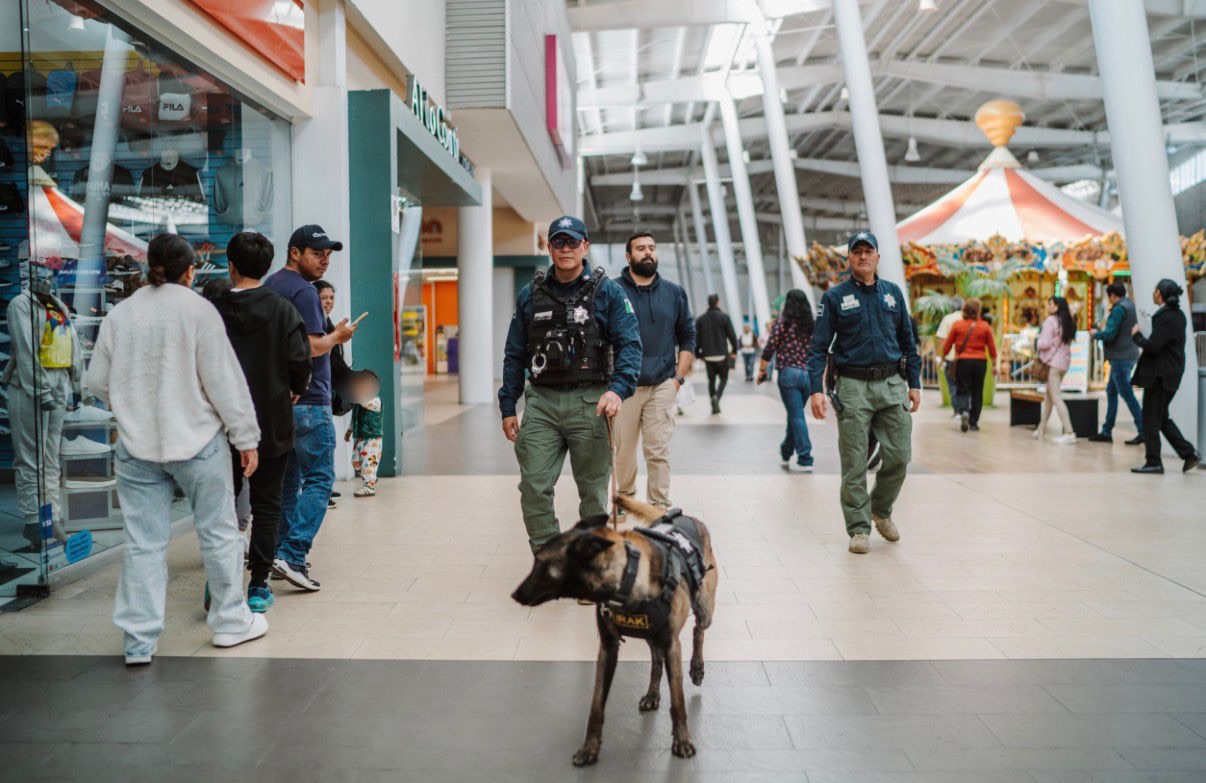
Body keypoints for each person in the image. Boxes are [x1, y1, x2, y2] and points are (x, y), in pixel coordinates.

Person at [85, 233, 266, 665]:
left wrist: (128, 406)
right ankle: (229, 623)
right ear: (190, 271)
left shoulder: (121, 314)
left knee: (143, 544)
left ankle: (138, 642)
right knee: (219, 533)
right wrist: (246, 438)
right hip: (199, 442)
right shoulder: (198, 311)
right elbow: (224, 381)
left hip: (137, 446)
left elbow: (95, 383)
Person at [499, 215, 641, 552]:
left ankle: (590, 566)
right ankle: (551, 560)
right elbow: (514, 353)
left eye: (573, 242)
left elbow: (630, 346)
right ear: (548, 247)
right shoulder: (530, 294)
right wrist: (508, 405)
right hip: (542, 403)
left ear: (585, 247)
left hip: (590, 403)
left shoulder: (607, 292)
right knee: (533, 485)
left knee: (593, 495)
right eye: (559, 242)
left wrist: (617, 389)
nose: (566, 249)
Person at [213, 231, 313, 613]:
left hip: (220, 423)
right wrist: (294, 387)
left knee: (221, 506)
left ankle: (219, 580)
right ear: (268, 265)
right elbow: (299, 360)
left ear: (231, 265)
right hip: (271, 420)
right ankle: (257, 585)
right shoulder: (284, 309)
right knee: (268, 504)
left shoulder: (214, 310)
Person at [805, 231, 921, 555]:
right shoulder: (835, 298)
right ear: (849, 258)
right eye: (857, 252)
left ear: (878, 257)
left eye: (868, 251)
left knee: (899, 455)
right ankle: (858, 528)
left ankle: (880, 510)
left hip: (892, 384)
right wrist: (816, 389)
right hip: (853, 386)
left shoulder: (893, 294)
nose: (863, 256)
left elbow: (909, 343)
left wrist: (914, 384)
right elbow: (817, 348)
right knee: (854, 462)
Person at [263, 225, 356, 591]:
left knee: (288, 484)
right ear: (295, 252)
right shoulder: (304, 293)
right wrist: (339, 337)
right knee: (319, 479)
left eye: (328, 255)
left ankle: (280, 556)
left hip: (277, 401)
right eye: (318, 253)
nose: (325, 260)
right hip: (310, 398)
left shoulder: (270, 286)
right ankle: (293, 553)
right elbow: (313, 347)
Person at [612, 232, 695, 508]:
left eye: (651, 248)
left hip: (662, 384)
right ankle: (624, 502)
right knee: (623, 452)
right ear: (628, 256)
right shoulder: (612, 290)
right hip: (624, 386)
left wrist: (677, 380)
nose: (648, 253)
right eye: (640, 249)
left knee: (657, 450)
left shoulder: (674, 293)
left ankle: (659, 506)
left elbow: (688, 337)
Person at [1129, 279, 1201, 474]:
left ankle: (1154, 461)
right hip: (1171, 372)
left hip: (1160, 375)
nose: (1153, 294)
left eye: (1154, 290)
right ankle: (1188, 454)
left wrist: (1137, 336)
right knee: (1161, 417)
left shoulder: (1166, 317)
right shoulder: (1178, 315)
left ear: (1159, 293)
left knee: (1150, 418)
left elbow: (1153, 346)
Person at [757, 289, 815, 472]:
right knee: (795, 414)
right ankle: (786, 450)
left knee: (797, 415)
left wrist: (761, 370)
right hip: (807, 375)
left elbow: (770, 346)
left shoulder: (783, 322)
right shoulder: (811, 323)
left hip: (789, 374)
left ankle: (805, 457)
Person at [1089, 282, 1144, 445]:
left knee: (1126, 393)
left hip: (1121, 356)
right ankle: (1107, 430)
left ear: (1112, 295)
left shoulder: (1120, 309)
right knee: (1111, 392)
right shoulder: (1130, 306)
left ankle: (1143, 430)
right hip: (1128, 354)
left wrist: (1096, 334)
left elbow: (1110, 333)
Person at [314, 279, 352, 509]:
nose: (328, 303)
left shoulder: (328, 324)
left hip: (326, 393)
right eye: (323, 298)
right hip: (318, 395)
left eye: (331, 298)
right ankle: (320, 492)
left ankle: (325, 488)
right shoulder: (317, 326)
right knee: (322, 446)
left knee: (327, 444)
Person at [941, 298, 997, 433]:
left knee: (962, 389)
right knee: (977, 392)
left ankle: (964, 411)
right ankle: (974, 422)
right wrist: (994, 364)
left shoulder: (957, 325)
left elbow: (947, 345)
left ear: (964, 310)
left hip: (963, 362)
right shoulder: (985, 326)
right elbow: (992, 348)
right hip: (980, 362)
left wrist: (943, 357)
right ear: (978, 311)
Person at [1034, 296, 1076, 444]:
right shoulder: (1067, 321)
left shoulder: (1051, 321)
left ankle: (1069, 431)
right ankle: (1041, 428)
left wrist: (1037, 341)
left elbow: (1044, 343)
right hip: (1064, 363)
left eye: (1050, 304)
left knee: (1056, 397)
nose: (1048, 306)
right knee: (1049, 398)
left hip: (1053, 364)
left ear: (1057, 306)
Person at [695, 294, 739, 414]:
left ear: (708, 303)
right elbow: (732, 336)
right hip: (722, 355)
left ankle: (713, 398)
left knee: (711, 380)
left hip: (708, 356)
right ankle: (717, 398)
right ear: (718, 303)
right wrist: (734, 351)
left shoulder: (701, 319)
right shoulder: (724, 317)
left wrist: (698, 354)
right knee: (724, 379)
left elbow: (697, 338)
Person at [344, 369, 384, 497]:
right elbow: (354, 417)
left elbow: (363, 402)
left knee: (368, 462)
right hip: (360, 436)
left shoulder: (375, 401)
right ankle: (370, 477)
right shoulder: (359, 403)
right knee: (356, 461)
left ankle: (369, 486)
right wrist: (349, 430)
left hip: (372, 439)